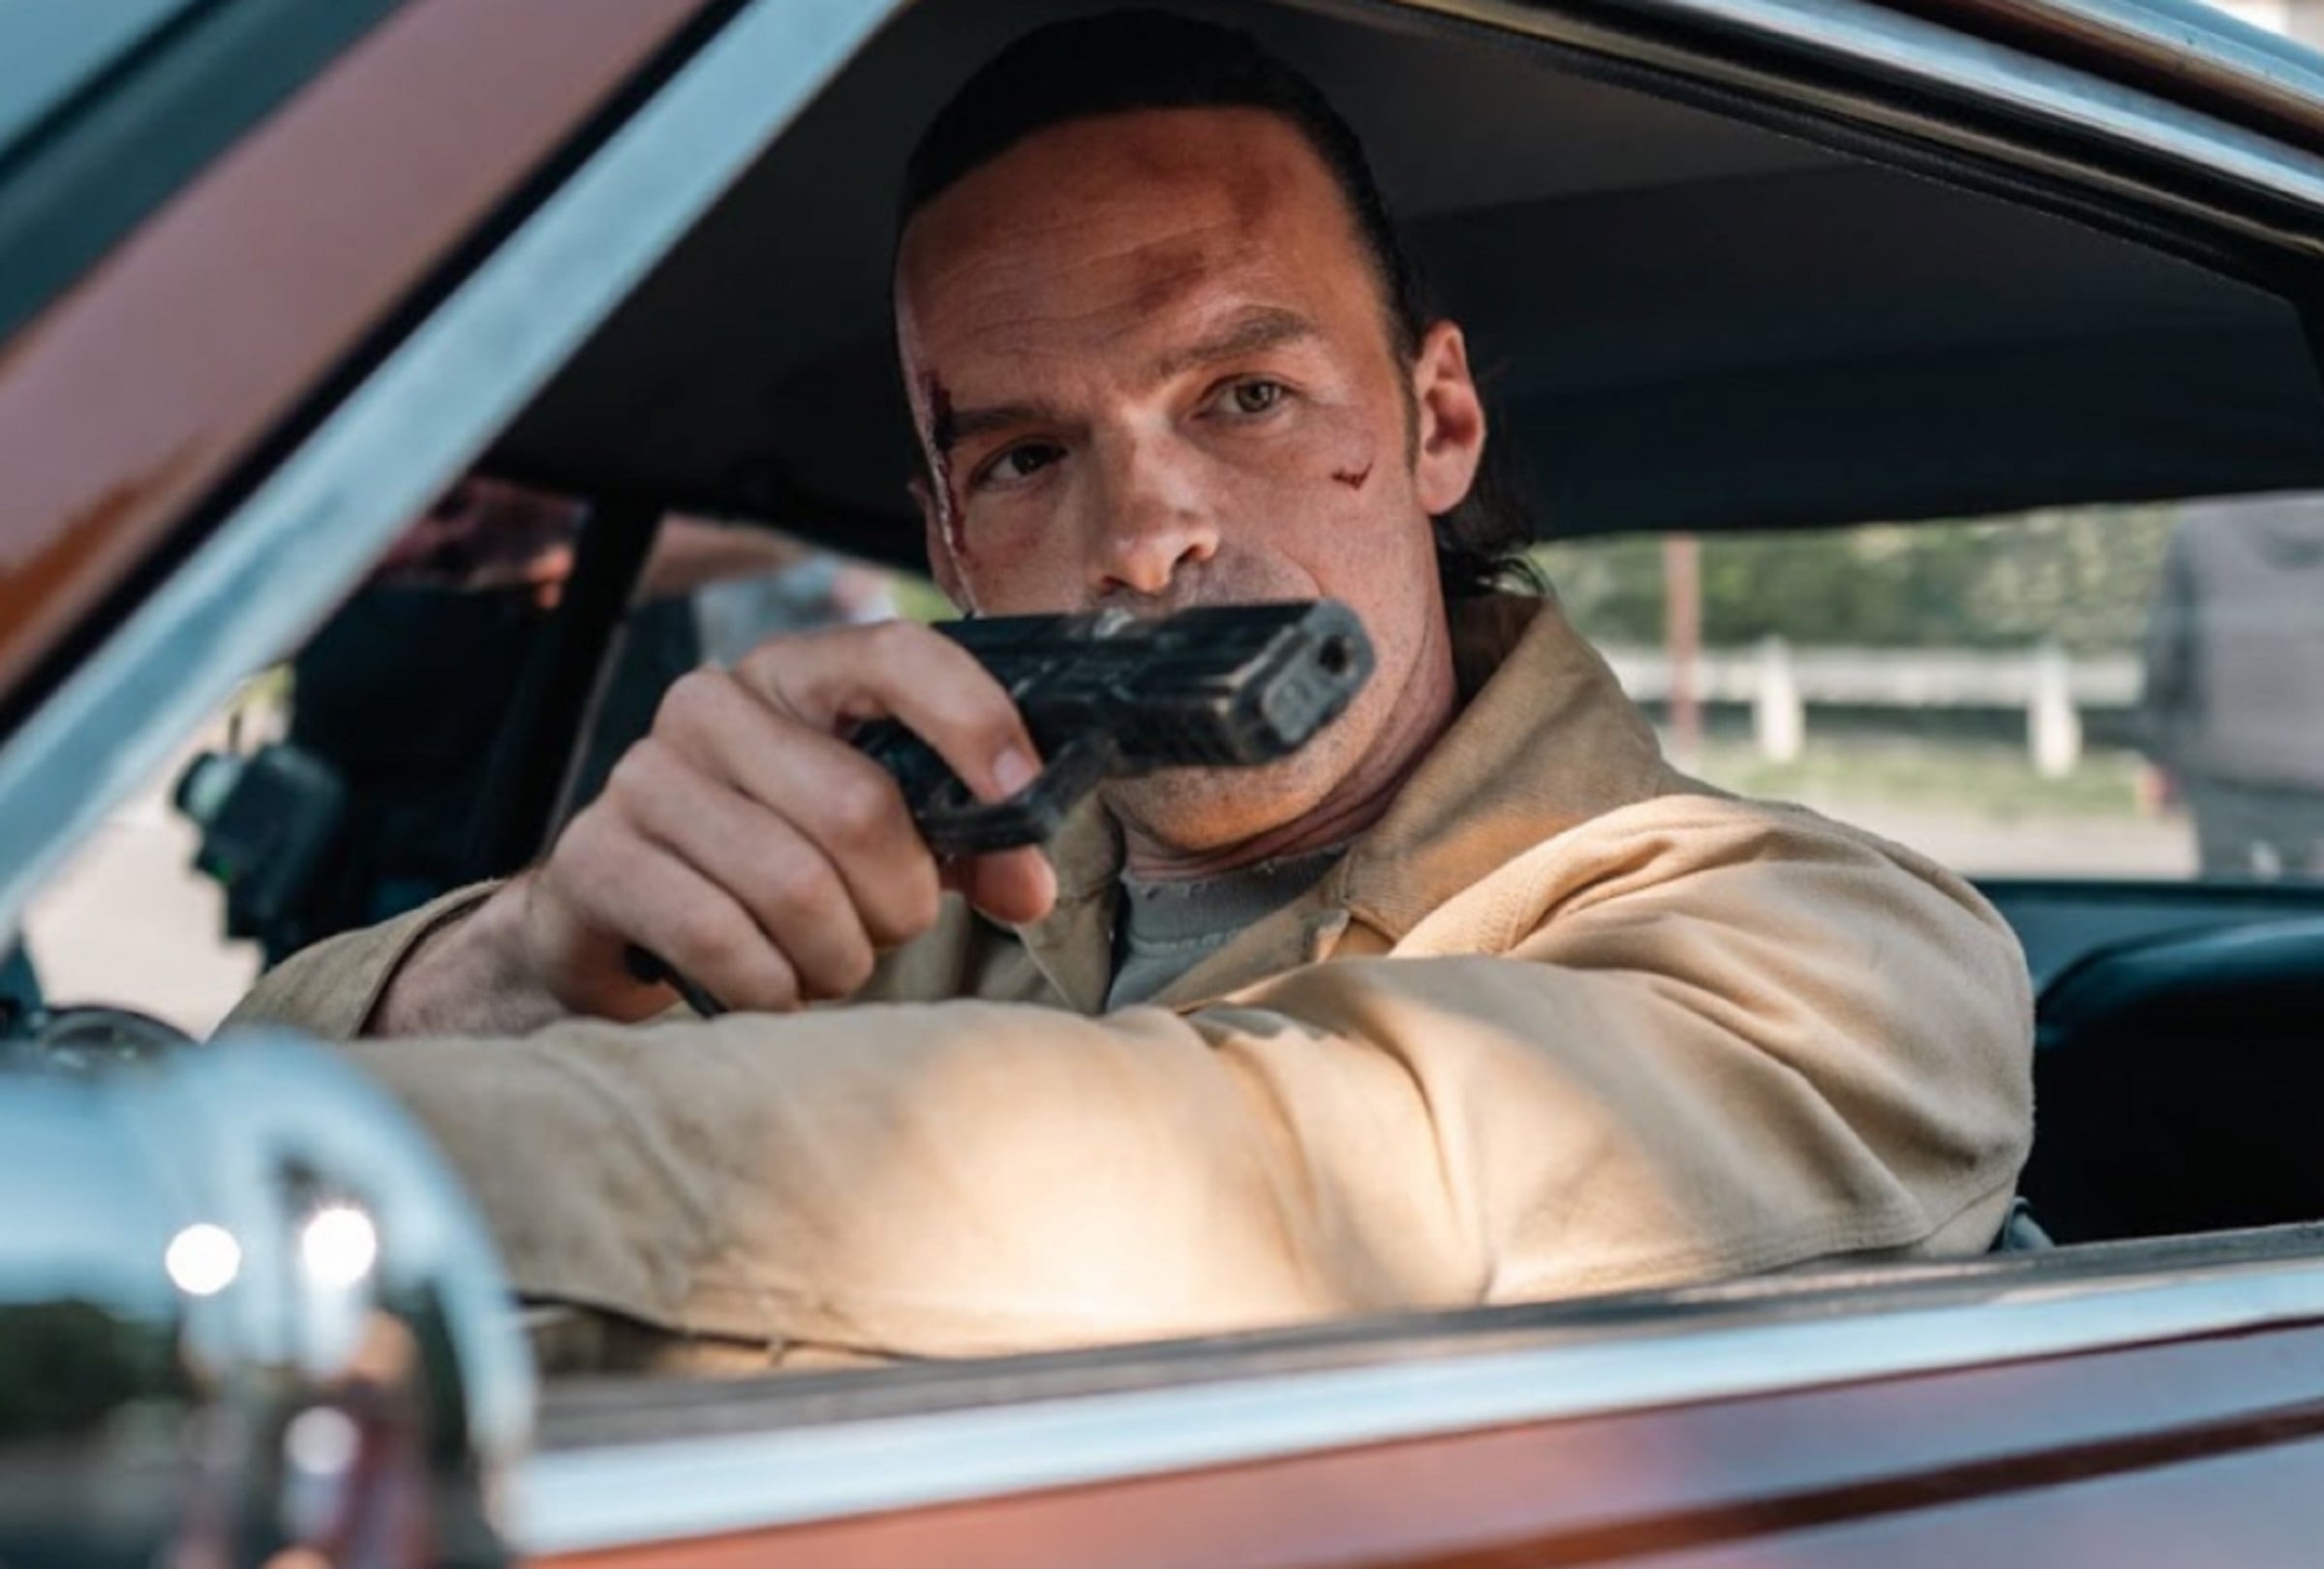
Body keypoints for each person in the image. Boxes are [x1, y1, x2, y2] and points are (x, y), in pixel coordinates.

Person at [226, 13, 2033, 1371]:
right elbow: (248, 1063)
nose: (1147, 539)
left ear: (1436, 422)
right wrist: (534, 958)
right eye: (1026, 457)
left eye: (1247, 396)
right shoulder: (879, 906)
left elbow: (1286, 1185)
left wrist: (236, 1191)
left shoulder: (1834, 960)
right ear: (947, 535)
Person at [2140, 493, 2324, 878]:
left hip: (2223, 756)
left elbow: (2168, 647)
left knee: (2225, 895)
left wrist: (2158, 751)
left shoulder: (2201, 521)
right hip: (2316, 760)